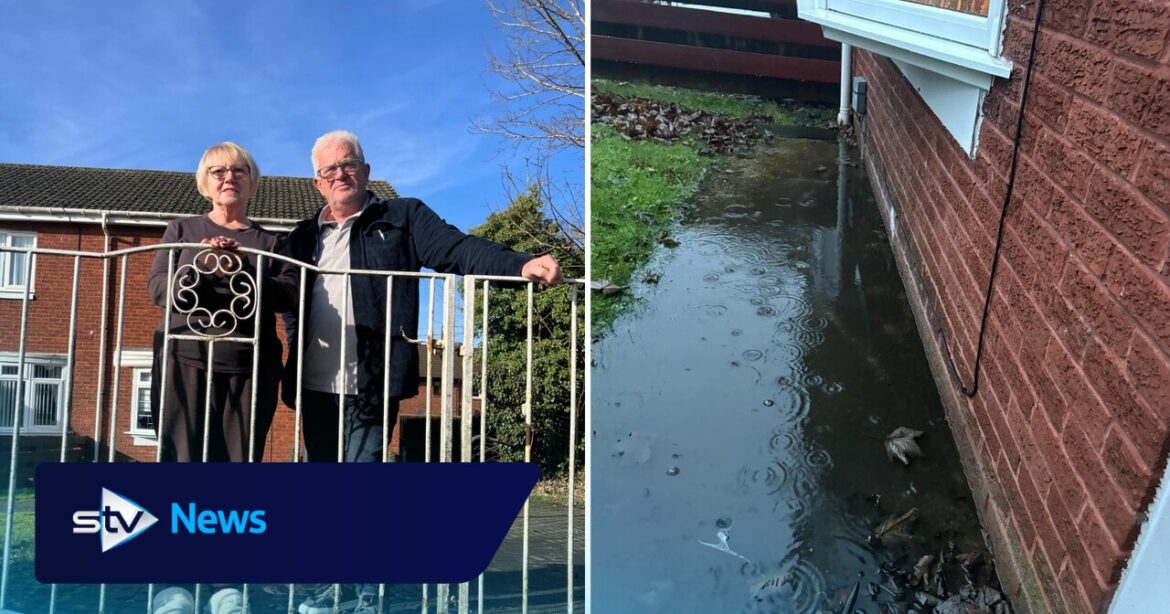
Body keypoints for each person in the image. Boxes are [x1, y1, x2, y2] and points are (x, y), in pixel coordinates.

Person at [282, 130, 561, 467]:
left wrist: (519, 264)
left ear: (366, 170)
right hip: (314, 383)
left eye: (349, 164)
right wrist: (298, 341)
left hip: (373, 382)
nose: (340, 173)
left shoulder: (403, 217)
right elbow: (290, 301)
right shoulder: (302, 237)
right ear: (318, 183)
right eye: (330, 169)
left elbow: (457, 249)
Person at [148, 142, 298, 462]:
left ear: (251, 180)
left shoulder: (272, 242)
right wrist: (199, 267)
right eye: (218, 171)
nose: (229, 177)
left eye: (238, 170)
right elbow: (158, 287)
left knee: (238, 462)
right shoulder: (181, 230)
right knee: (180, 459)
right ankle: (184, 514)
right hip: (183, 359)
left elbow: (290, 294)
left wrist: (240, 267)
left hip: (250, 367)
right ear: (206, 182)